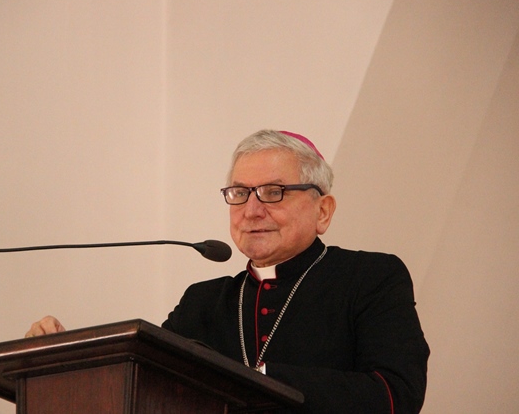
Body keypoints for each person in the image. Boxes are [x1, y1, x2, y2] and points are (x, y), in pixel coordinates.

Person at [26, 129, 430, 413]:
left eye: (273, 192)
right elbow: (146, 384)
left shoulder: (369, 277)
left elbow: (395, 395)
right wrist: (63, 361)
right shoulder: (202, 302)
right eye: (239, 193)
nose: (252, 210)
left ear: (322, 211)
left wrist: (260, 377)